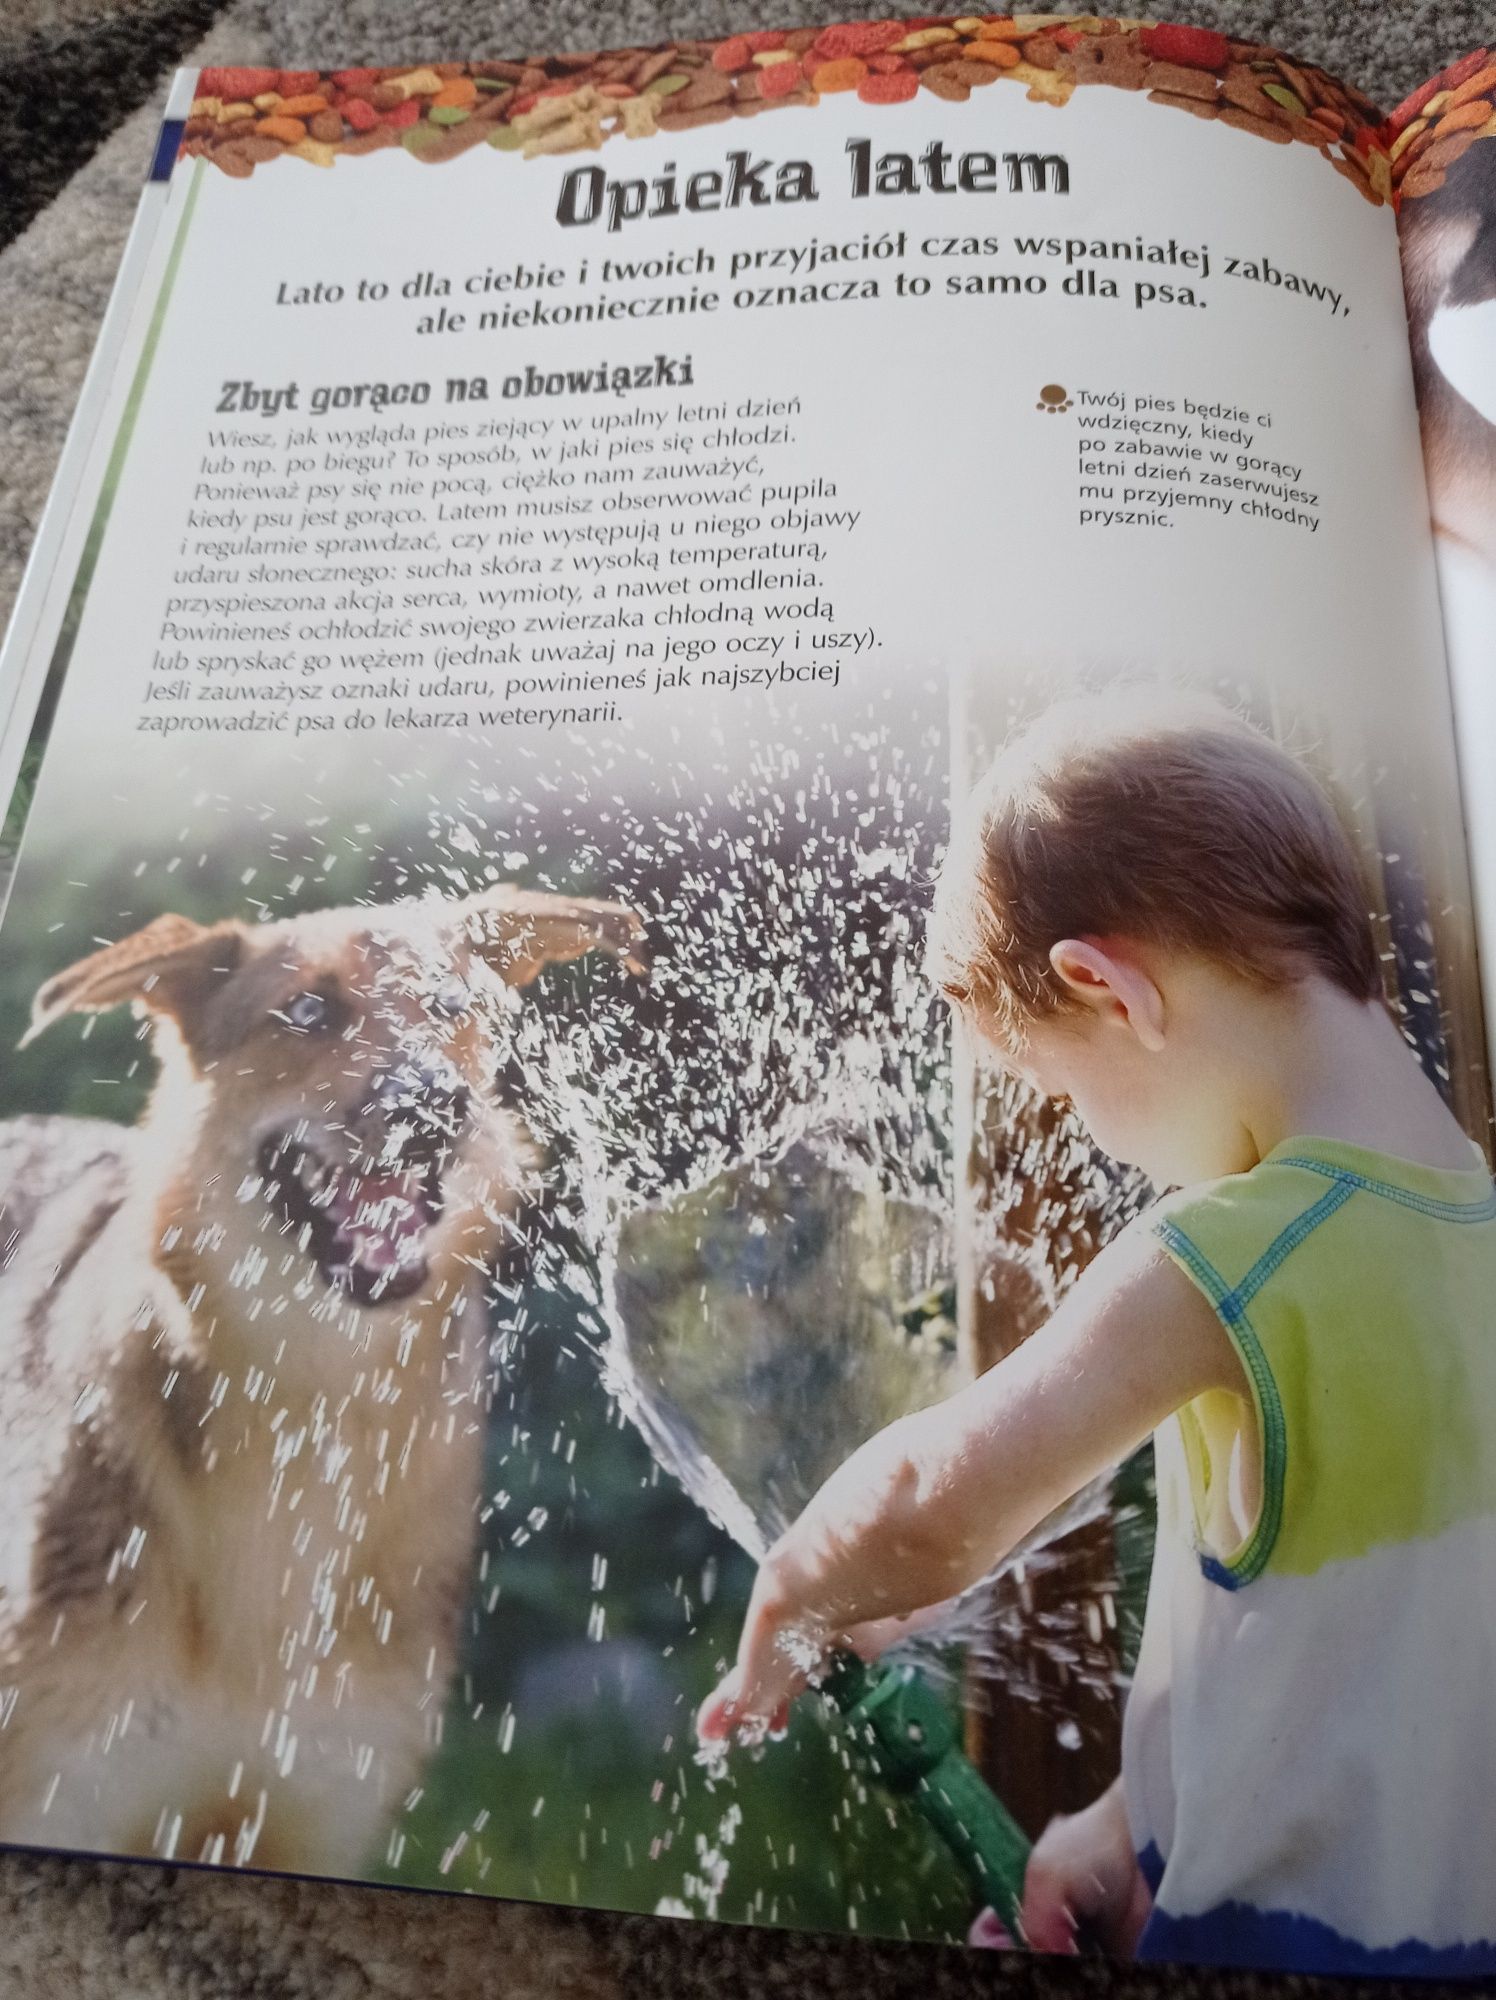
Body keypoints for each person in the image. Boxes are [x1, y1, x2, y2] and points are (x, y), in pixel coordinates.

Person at [697, 688, 1496, 1976]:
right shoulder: (1472, 1230)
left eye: (1058, 1088)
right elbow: (1364, 1661)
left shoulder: (1226, 1259)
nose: (1081, 1128)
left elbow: (928, 1503)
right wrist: (1135, 1828)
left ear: (1107, 987)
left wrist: (796, 1585)